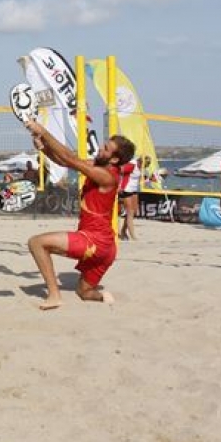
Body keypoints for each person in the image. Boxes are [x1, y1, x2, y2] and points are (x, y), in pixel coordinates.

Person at [24, 119, 135, 311]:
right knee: (84, 292)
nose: (100, 148)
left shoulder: (106, 176)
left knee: (36, 243)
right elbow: (63, 160)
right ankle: (102, 298)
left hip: (95, 242)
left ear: (115, 159)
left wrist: (43, 129)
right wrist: (43, 146)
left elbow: (70, 159)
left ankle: (54, 295)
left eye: (106, 148)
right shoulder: (100, 166)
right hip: (107, 248)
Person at [118, 156, 142, 240]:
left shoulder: (140, 167)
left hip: (134, 190)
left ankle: (123, 231)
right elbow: (119, 170)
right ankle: (133, 236)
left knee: (134, 211)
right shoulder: (131, 165)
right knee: (130, 213)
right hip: (126, 189)